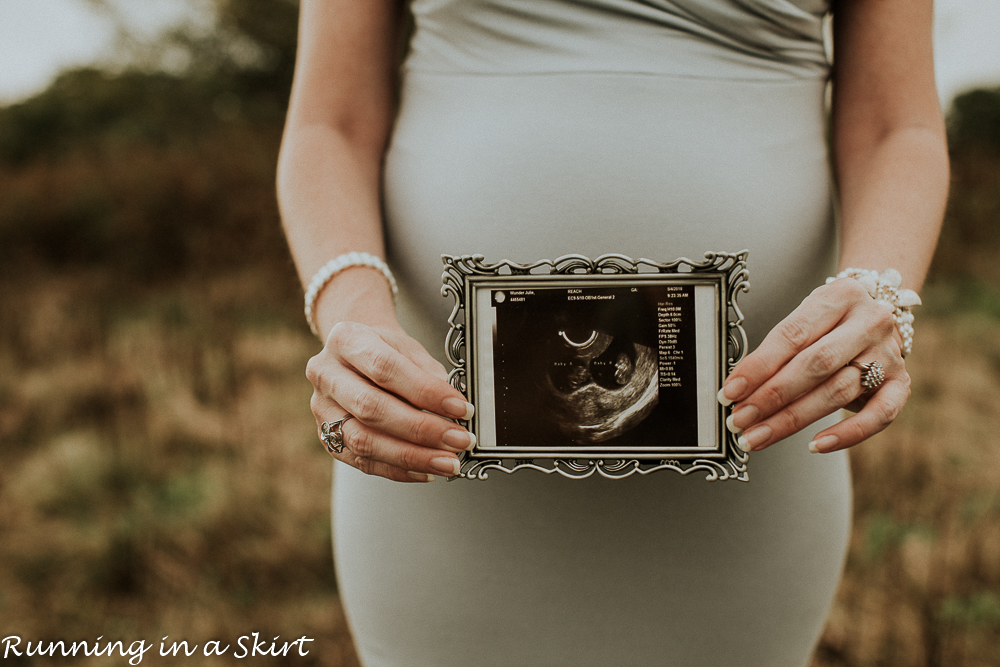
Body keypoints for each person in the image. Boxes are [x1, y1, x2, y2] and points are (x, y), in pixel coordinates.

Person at [276, 0, 947, 665]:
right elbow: (329, 123)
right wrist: (352, 315)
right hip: (434, 436)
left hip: (751, 450)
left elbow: (898, 125)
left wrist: (880, 289)